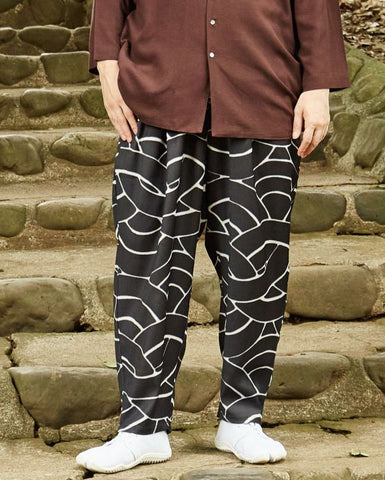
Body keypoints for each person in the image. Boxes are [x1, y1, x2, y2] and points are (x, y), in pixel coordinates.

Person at [76, 0, 351, 474]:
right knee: (146, 267)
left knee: (256, 269)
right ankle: (141, 428)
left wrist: (318, 84)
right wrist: (106, 67)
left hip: (262, 94)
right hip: (154, 99)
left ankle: (242, 419)